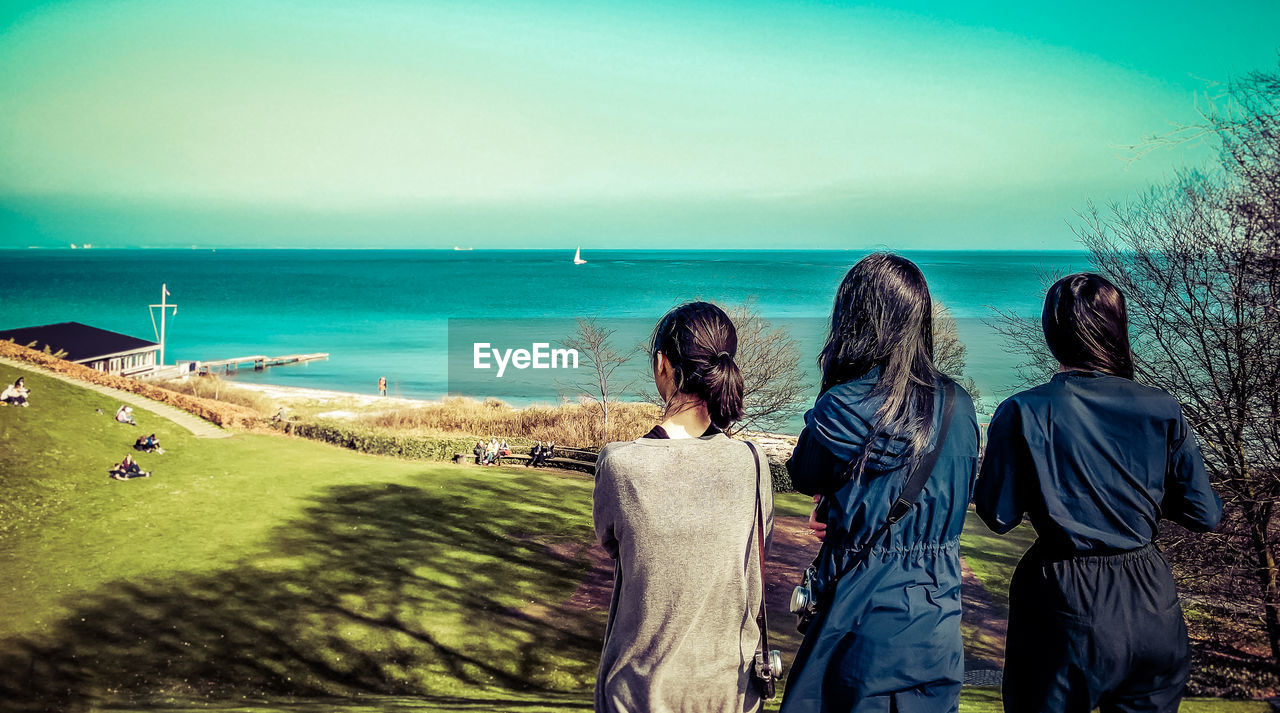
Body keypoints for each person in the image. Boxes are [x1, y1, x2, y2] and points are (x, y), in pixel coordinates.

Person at [975, 273, 1222, 713]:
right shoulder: (1162, 407)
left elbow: (998, 514)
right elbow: (1204, 512)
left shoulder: (1023, 410)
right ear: (1117, 328)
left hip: (1063, 603)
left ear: (1053, 334)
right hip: (1152, 606)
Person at [779, 253, 980, 713]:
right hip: (936, 616)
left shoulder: (842, 406)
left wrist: (839, 508)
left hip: (856, 614)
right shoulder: (960, 406)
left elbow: (804, 472)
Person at [594, 301, 773, 713]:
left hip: (640, 694)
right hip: (731, 694)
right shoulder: (752, 462)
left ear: (662, 365)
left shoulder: (621, 464)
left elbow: (616, 545)